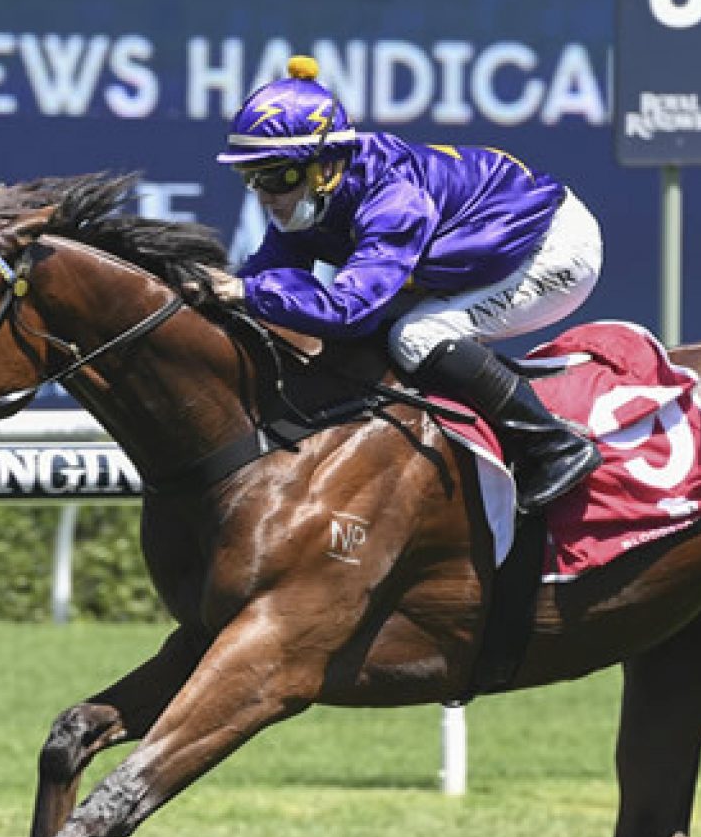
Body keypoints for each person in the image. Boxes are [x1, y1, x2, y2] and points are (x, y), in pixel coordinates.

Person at [207, 54, 605, 514]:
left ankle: (556, 446)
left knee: (415, 337)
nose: (266, 194)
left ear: (328, 164)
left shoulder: (394, 199)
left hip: (549, 249)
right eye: (252, 177)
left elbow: (348, 312)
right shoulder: (316, 192)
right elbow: (266, 276)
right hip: (473, 252)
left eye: (279, 176)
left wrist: (247, 293)